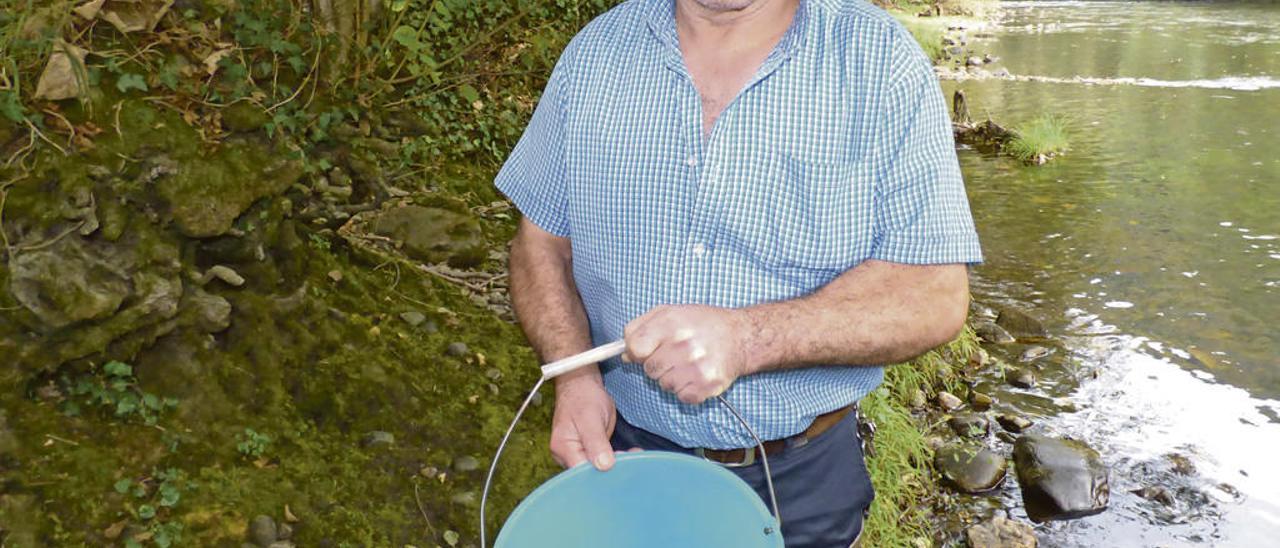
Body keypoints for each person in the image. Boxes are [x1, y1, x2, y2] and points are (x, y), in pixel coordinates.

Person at [497, 0, 982, 545]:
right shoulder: (595, 54)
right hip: (628, 459)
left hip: (801, 479)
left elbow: (935, 294)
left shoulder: (878, 60)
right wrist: (575, 376)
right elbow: (540, 245)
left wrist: (745, 339)